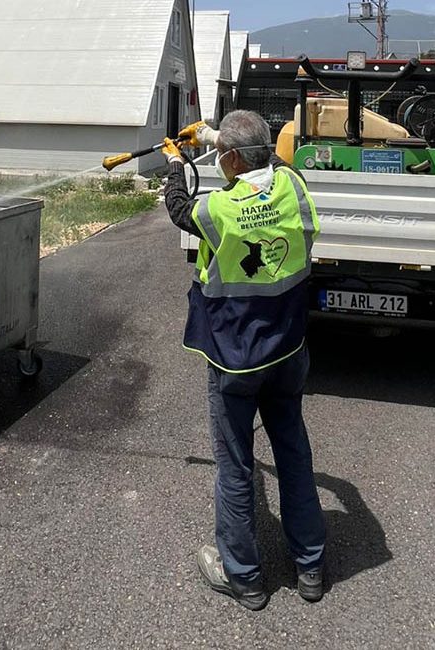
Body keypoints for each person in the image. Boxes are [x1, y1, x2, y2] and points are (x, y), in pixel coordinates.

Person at [162, 111, 326, 611]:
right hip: (288, 349)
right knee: (293, 454)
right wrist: (215, 137)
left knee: (234, 467)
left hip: (235, 360)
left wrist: (176, 160)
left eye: (224, 156)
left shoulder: (219, 209)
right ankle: (310, 567)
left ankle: (245, 578)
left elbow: (177, 208)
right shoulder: (292, 187)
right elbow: (266, 160)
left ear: (230, 161)